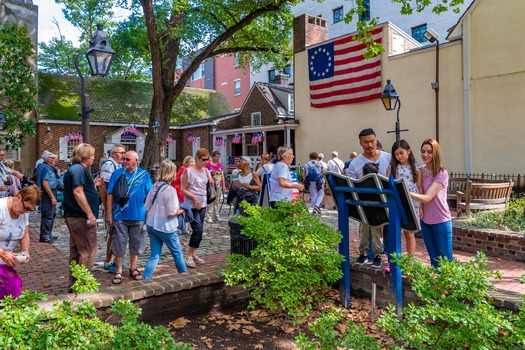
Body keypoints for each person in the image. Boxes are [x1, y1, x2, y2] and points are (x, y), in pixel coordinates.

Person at [347, 128, 391, 269]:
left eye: (372, 141)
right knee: (364, 229)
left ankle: (383, 257)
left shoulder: (388, 158)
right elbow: (350, 185)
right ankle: (364, 253)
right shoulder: (355, 163)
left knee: (382, 231)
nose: (370, 145)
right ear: (361, 143)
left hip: (385, 203)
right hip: (365, 204)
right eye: (366, 142)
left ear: (376, 140)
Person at [106, 150, 152, 284]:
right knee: (119, 243)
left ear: (136, 161)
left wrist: (148, 212)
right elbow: (109, 194)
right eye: (123, 159)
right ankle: (119, 270)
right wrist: (109, 213)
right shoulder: (117, 173)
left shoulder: (144, 174)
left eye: (127, 159)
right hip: (120, 215)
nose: (124, 161)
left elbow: (149, 194)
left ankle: (133, 268)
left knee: (136, 244)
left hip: (138, 215)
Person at [63, 143, 101, 290]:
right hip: (80, 217)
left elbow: (83, 189)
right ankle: (82, 285)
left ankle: (73, 284)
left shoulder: (74, 170)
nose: (93, 157)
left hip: (73, 216)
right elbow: (78, 192)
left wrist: (94, 185)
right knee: (88, 251)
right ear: (85, 156)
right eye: (92, 155)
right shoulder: (78, 169)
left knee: (76, 251)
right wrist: (90, 214)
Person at [410, 139, 453, 268]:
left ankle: (449, 288)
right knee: (434, 261)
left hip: (441, 221)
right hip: (425, 220)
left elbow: (427, 197)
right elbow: (419, 189)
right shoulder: (421, 170)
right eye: (423, 151)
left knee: (446, 261)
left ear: (435, 153)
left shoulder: (441, 173)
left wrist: (405, 193)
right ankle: (437, 288)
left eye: (429, 152)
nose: (425, 155)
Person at [143, 160, 187, 280]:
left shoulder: (154, 186)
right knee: (177, 253)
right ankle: (186, 277)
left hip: (152, 224)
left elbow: (146, 206)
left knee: (154, 256)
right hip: (165, 227)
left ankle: (145, 279)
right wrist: (184, 209)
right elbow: (171, 213)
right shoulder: (170, 190)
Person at [0, 185, 40, 300]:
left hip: (5, 261)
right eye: (26, 208)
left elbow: (25, 235)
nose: (26, 212)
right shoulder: (1, 208)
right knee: (12, 287)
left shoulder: (23, 214)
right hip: (2, 257)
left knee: (13, 289)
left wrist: (25, 250)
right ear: (18, 197)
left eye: (30, 210)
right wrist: (2, 252)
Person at [387, 140, 421, 256]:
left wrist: (421, 206)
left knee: (409, 232)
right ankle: (395, 256)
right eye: (396, 154)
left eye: (401, 153)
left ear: (409, 151)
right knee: (395, 231)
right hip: (396, 201)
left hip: (412, 201)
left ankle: (410, 259)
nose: (399, 156)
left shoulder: (416, 168)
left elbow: (420, 187)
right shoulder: (392, 168)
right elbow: (388, 186)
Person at [181, 148, 213, 268]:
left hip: (203, 204)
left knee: (199, 231)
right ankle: (189, 256)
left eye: (207, 159)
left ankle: (194, 254)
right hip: (191, 206)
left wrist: (211, 180)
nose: (206, 162)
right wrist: (194, 198)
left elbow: (208, 182)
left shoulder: (206, 171)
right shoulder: (188, 172)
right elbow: (182, 189)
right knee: (197, 229)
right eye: (204, 159)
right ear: (197, 159)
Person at [98, 144, 126, 272]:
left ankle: (114, 258)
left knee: (117, 234)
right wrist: (106, 208)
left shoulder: (119, 165)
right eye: (120, 152)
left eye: (124, 152)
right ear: (113, 153)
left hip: (117, 205)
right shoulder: (109, 164)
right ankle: (108, 261)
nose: (123, 155)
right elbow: (104, 187)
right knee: (113, 233)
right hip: (112, 206)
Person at [37, 150, 60, 243]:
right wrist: (52, 197)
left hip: (49, 191)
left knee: (50, 214)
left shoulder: (44, 166)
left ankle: (47, 233)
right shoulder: (46, 168)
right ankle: (45, 235)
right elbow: (45, 183)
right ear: (49, 159)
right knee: (48, 214)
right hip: (48, 193)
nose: (55, 160)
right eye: (53, 158)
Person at [205, 150, 225, 223]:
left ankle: (216, 215)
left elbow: (222, 175)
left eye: (219, 157)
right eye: (216, 156)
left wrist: (223, 185)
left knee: (217, 201)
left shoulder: (219, 165)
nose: (218, 158)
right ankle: (209, 216)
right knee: (210, 200)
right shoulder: (208, 165)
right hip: (211, 185)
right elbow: (204, 174)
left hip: (218, 184)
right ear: (212, 157)